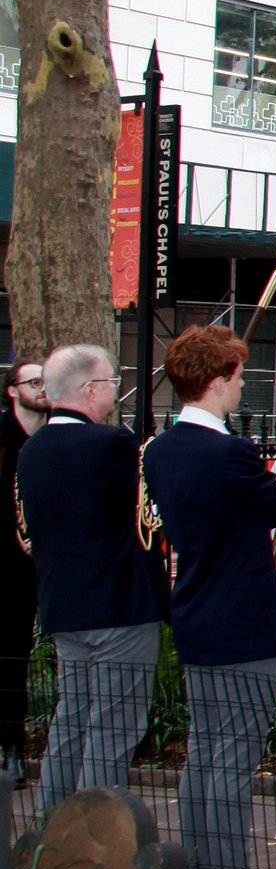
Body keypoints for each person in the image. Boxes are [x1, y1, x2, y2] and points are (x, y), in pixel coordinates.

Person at [138, 326, 276, 869]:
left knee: (205, 750)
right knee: (233, 756)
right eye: (237, 377)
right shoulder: (230, 453)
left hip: (195, 612)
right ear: (218, 383)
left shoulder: (160, 451)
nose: (241, 387)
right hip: (242, 621)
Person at [16, 345, 166, 816]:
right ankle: (94, 843)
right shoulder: (113, 446)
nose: (115, 391)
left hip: (64, 608)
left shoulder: (31, 451)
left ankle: (49, 832)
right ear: (89, 389)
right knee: (112, 729)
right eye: (111, 383)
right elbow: (152, 512)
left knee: (71, 723)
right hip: (119, 608)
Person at [0, 359, 44, 785]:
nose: (41, 388)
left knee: (19, 654)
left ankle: (14, 743)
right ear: (13, 390)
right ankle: (10, 747)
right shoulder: (4, 436)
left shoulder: (51, 435)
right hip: (7, 562)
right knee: (9, 654)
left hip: (43, 565)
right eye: (33, 381)